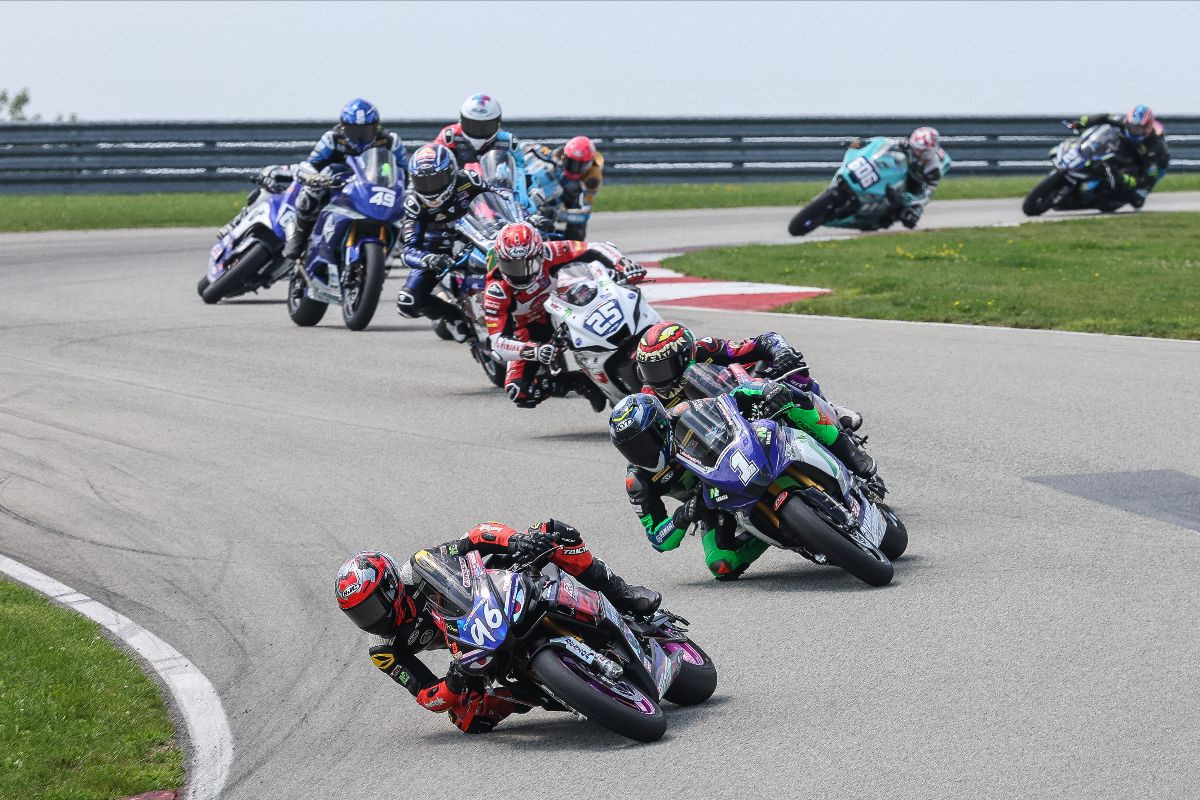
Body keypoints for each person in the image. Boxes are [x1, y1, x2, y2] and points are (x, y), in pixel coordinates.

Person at [335, 519, 661, 733]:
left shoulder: (418, 567)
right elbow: (425, 695)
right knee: (467, 719)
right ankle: (549, 690)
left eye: (371, 606)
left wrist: (516, 542)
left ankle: (621, 593)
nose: (371, 619)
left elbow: (475, 536)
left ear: (390, 587)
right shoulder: (382, 649)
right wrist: (452, 682)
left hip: (488, 593)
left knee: (552, 532)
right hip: (466, 645)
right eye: (359, 614)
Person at [608, 381, 878, 581]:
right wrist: (682, 516)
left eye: (643, 442)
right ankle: (770, 534)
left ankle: (849, 453)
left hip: (742, 456)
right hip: (711, 502)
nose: (639, 453)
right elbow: (658, 538)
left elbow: (728, 400)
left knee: (791, 399)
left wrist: (763, 391)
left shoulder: (684, 412)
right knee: (721, 564)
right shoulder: (638, 482)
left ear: (661, 427)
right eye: (630, 448)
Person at [482, 221, 646, 410]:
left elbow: (595, 248)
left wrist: (623, 264)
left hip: (567, 307)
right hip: (530, 330)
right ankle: (581, 382)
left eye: (528, 264)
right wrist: (533, 350)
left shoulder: (549, 251)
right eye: (512, 266)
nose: (521, 274)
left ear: (539, 255)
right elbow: (498, 343)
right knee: (519, 391)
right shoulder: (496, 291)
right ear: (500, 260)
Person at [633, 321, 862, 431]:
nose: (655, 377)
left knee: (786, 364)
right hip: (718, 432)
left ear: (684, 357)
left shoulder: (706, 348)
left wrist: (781, 352)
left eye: (661, 368)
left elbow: (763, 341)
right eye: (648, 370)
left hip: (749, 395)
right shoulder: (650, 396)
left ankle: (830, 410)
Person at [395, 143, 520, 341]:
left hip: (476, 236)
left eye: (436, 179)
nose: (430, 187)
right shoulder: (415, 204)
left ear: (452, 173)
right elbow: (408, 250)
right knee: (408, 302)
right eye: (423, 182)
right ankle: (451, 316)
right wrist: (428, 259)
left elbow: (502, 199)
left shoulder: (468, 180)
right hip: (437, 251)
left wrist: (525, 218)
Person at [281, 99, 407, 260]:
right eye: (355, 131)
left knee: (407, 206)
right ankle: (299, 238)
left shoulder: (390, 141)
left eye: (366, 131)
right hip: (336, 182)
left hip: (373, 186)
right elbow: (311, 164)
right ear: (343, 127)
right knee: (310, 194)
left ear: (377, 127)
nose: (361, 137)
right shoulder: (332, 138)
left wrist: (406, 191)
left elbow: (404, 171)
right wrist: (314, 177)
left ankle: (402, 243)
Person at [1069, 105, 1170, 208]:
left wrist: (1132, 180)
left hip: (1156, 163)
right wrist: (1083, 122)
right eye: (1131, 127)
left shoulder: (1155, 145)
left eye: (1137, 129)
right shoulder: (1125, 122)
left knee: (1137, 200)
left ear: (1147, 128)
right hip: (1131, 148)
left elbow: (1149, 175)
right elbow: (1106, 117)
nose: (1133, 131)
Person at [525, 136, 605, 239]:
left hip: (555, 207)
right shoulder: (552, 155)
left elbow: (584, 215)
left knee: (578, 233)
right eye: (570, 162)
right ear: (564, 156)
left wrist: (557, 214)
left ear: (588, 164)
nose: (574, 167)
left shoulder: (590, 181)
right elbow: (528, 146)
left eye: (579, 165)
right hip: (533, 192)